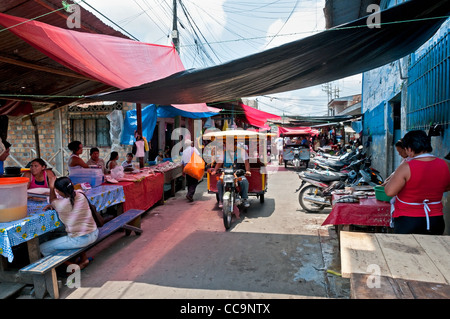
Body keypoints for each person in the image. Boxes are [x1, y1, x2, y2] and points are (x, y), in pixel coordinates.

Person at [384, 130, 450, 235]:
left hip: (408, 220)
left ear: (409, 149)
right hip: (435, 220)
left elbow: (389, 191)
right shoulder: (446, 164)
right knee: (432, 250)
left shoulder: (406, 167)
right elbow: (447, 187)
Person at [41, 176, 98, 269]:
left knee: (43, 248)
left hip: (80, 239)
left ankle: (71, 266)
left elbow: (52, 200)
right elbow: (59, 200)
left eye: (57, 190)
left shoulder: (61, 204)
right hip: (94, 233)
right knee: (64, 233)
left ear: (59, 191)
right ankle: (83, 259)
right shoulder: (80, 194)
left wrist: (51, 188)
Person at [210, 140, 251, 208]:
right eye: (226, 144)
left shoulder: (242, 152)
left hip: (238, 172)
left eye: (229, 143)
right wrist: (215, 170)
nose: (227, 145)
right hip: (226, 173)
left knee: (244, 181)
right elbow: (219, 163)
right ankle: (221, 200)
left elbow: (246, 163)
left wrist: (247, 171)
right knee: (219, 182)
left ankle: (244, 198)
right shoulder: (224, 153)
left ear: (234, 144)